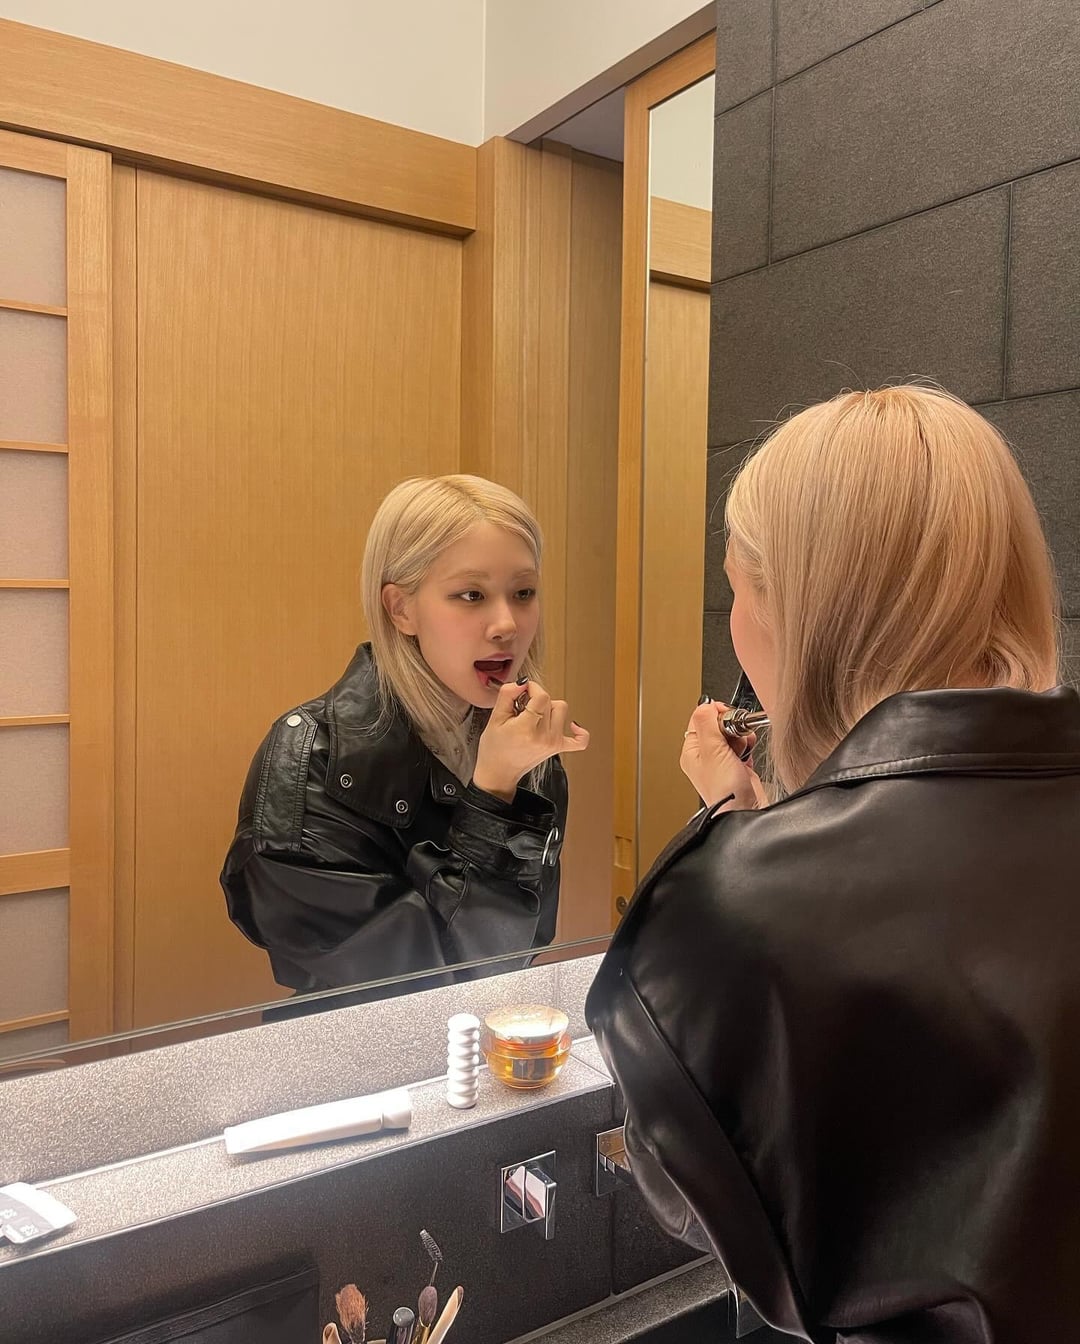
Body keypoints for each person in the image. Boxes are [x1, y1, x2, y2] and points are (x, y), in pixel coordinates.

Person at [586, 386, 1080, 1343]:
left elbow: (702, 1194)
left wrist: (738, 844)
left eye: (738, 589)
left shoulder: (733, 906)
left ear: (807, 612)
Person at [222, 474, 587, 996]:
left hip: (488, 1037)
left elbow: (517, 949)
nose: (507, 624)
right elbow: (417, 989)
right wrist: (494, 796)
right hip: (359, 1045)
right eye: (471, 595)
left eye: (523, 592)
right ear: (401, 609)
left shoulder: (523, 749)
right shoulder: (307, 759)